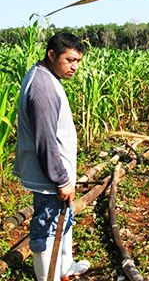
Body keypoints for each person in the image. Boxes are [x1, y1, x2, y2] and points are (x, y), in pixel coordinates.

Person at [13, 32, 90, 281]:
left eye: (78, 60)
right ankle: (48, 277)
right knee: (45, 228)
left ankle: (64, 267)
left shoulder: (47, 76)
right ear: (51, 55)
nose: (75, 66)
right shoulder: (43, 87)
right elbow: (45, 140)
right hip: (49, 178)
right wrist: (61, 180)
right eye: (69, 60)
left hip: (56, 174)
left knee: (62, 220)